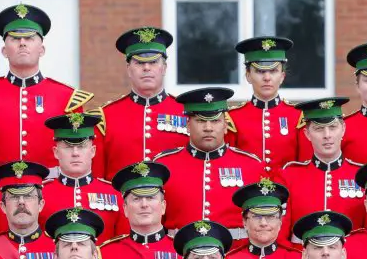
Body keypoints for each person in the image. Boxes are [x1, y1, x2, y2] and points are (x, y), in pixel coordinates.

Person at [0, 3, 92, 169]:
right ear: (4, 51)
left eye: (29, 38)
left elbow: (78, 153)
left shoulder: (67, 97)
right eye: (15, 38)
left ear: (42, 49)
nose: (22, 43)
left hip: (49, 187)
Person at [156, 87, 265, 236]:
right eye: (200, 121)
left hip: (233, 254)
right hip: (181, 253)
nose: (208, 128)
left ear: (225, 126)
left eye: (215, 121)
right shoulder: (164, 165)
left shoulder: (251, 165)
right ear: (188, 125)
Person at [95, 28, 187, 180]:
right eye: (139, 62)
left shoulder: (186, 111)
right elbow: (98, 179)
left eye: (154, 62)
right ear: (128, 69)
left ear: (164, 68)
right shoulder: (105, 116)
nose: (146, 68)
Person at [98, 162, 189, 259]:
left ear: (163, 206)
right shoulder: (104, 254)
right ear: (125, 209)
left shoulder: (183, 252)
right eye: (136, 199)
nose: (144, 204)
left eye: (151, 198)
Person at [276, 97, 365, 239]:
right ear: (307, 134)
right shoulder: (289, 176)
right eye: (319, 129)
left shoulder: (361, 176)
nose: (327, 135)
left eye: (333, 127)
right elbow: (281, 234)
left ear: (343, 129)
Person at [228, 37, 304, 173]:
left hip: (287, 193)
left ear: (282, 76)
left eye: (273, 71)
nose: (267, 78)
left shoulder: (298, 116)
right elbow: (229, 165)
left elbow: (304, 167)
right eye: (260, 71)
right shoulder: (233, 118)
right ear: (248, 76)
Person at [41, 113, 120, 238]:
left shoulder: (115, 194)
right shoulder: (40, 194)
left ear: (93, 151)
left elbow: (123, 242)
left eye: (82, 147)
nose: (75, 153)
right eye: (68, 147)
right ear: (56, 152)